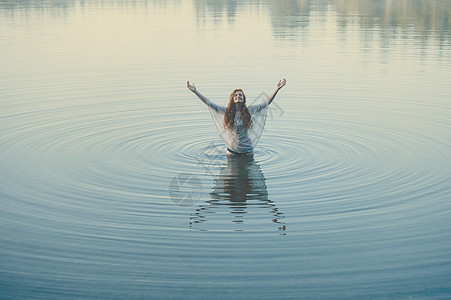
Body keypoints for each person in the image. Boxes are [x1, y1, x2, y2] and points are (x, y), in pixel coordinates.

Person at [187, 79, 286, 156]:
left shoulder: (249, 110)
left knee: (247, 181)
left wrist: (277, 88)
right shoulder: (226, 112)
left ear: (243, 99)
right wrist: (195, 91)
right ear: (233, 99)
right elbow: (209, 103)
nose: (238, 96)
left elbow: (266, 102)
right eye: (236, 95)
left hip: (248, 151)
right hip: (232, 152)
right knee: (231, 181)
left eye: (240, 95)